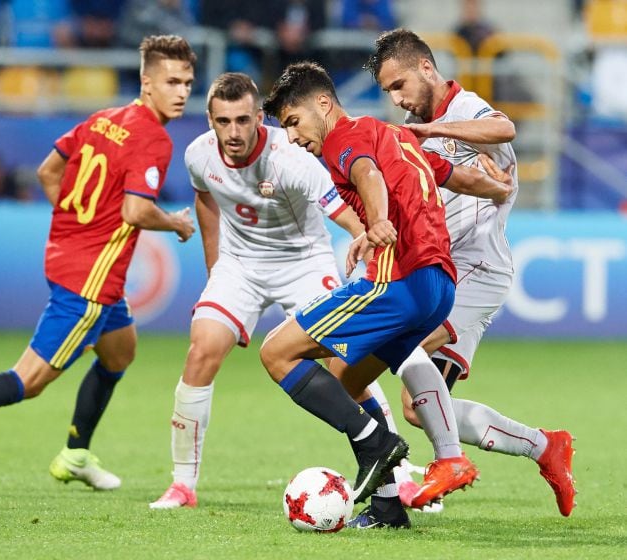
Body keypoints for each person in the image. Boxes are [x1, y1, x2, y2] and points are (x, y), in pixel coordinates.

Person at [0, 35, 198, 489]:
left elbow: (49, 171)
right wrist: (177, 225)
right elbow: (136, 211)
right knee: (28, 380)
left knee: (120, 349)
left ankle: (76, 453)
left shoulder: (101, 119)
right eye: (171, 81)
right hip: (89, 281)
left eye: (187, 82)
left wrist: (75, 223)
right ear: (147, 82)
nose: (182, 91)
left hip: (70, 258)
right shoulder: (154, 139)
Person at [354, 28, 576, 518]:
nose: (396, 99)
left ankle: (447, 463)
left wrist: (434, 132)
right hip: (447, 274)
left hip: (477, 267)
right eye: (388, 91)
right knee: (419, 409)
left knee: (402, 340)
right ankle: (545, 447)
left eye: (399, 85)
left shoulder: (464, 108)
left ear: (427, 69)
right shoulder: (414, 130)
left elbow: (505, 129)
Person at [259, 60, 483, 526]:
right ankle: (387, 505)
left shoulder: (345, 136)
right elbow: (449, 175)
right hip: (438, 286)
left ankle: (375, 444)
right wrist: (494, 187)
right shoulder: (393, 134)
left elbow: (368, 176)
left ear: (323, 103)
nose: (295, 137)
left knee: (277, 353)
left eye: (294, 122)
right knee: (346, 377)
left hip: (397, 279)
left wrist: (377, 221)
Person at [148, 71, 368, 510]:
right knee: (201, 349)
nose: (233, 132)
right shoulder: (198, 155)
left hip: (303, 262)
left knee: (346, 359)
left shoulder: (291, 157)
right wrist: (215, 271)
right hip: (241, 266)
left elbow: (342, 211)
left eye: (243, 121)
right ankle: (182, 485)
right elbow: (205, 200)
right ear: (209, 120)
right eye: (223, 121)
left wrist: (369, 239)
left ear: (259, 118)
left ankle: (391, 467)